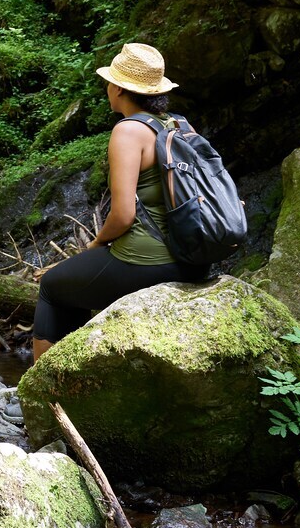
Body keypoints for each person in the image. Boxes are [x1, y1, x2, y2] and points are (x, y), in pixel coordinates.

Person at [31, 42, 207, 362]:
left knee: (53, 286)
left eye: (110, 82)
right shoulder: (179, 125)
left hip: (150, 262)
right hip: (194, 257)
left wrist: (96, 243)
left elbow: (123, 215)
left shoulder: (128, 132)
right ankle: (81, 371)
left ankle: (40, 391)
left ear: (118, 89)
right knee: (76, 286)